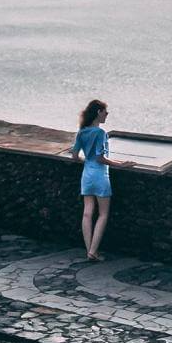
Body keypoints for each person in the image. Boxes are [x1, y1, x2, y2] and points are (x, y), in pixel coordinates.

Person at [71, 99, 134, 261]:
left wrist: (88, 162)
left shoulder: (82, 132)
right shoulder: (100, 133)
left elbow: (75, 156)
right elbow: (101, 158)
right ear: (98, 112)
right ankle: (94, 251)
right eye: (105, 112)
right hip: (100, 176)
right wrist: (120, 165)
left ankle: (88, 251)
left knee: (87, 213)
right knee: (103, 214)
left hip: (87, 174)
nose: (107, 115)